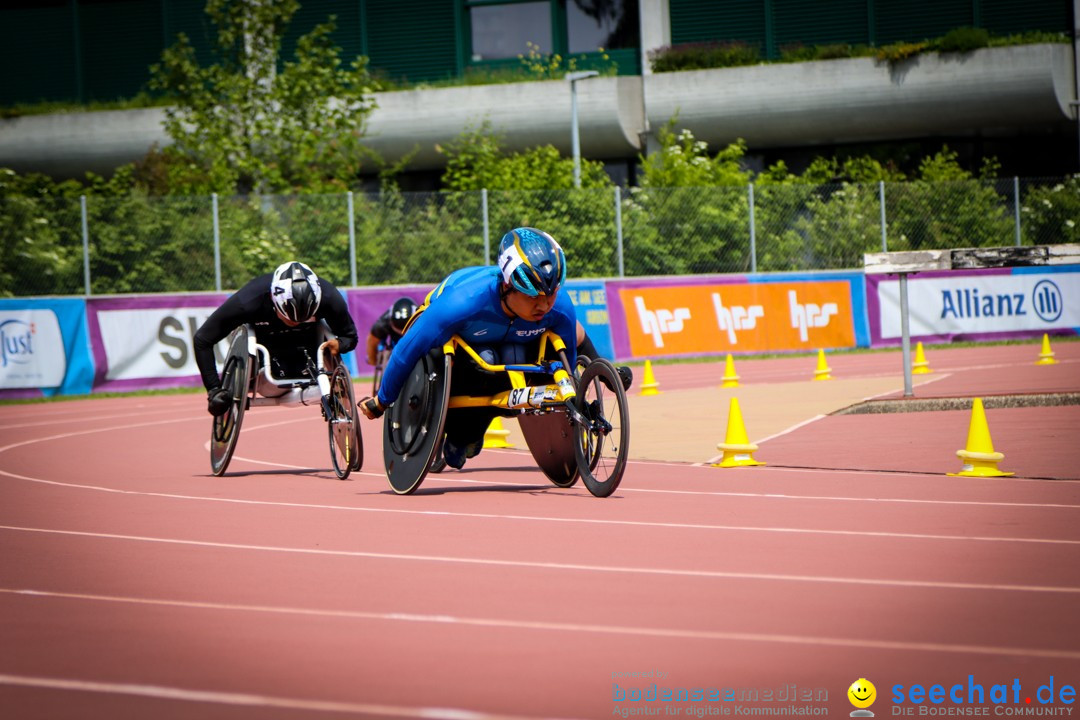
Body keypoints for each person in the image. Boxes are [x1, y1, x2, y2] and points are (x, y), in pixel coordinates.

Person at [359, 227, 579, 469]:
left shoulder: (560, 306)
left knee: (569, 333)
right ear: (508, 287)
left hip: (510, 346)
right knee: (487, 358)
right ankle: (462, 433)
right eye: (533, 297)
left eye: (550, 296)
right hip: (463, 348)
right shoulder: (460, 304)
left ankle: (470, 433)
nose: (544, 305)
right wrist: (381, 401)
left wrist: (575, 385)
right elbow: (405, 352)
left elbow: (568, 359)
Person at [194, 261, 359, 416]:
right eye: (289, 318)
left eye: (302, 319)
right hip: (263, 345)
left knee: (326, 344)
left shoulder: (329, 298)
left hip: (307, 346)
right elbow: (202, 339)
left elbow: (350, 337)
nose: (294, 323)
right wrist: (214, 390)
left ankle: (332, 392)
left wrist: (339, 344)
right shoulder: (249, 300)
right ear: (274, 299)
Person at [365, 296, 418, 367]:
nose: (402, 332)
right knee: (375, 337)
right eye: (399, 327)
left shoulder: (421, 319)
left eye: (405, 328)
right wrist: (373, 360)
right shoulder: (382, 324)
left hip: (413, 332)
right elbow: (372, 341)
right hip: (393, 334)